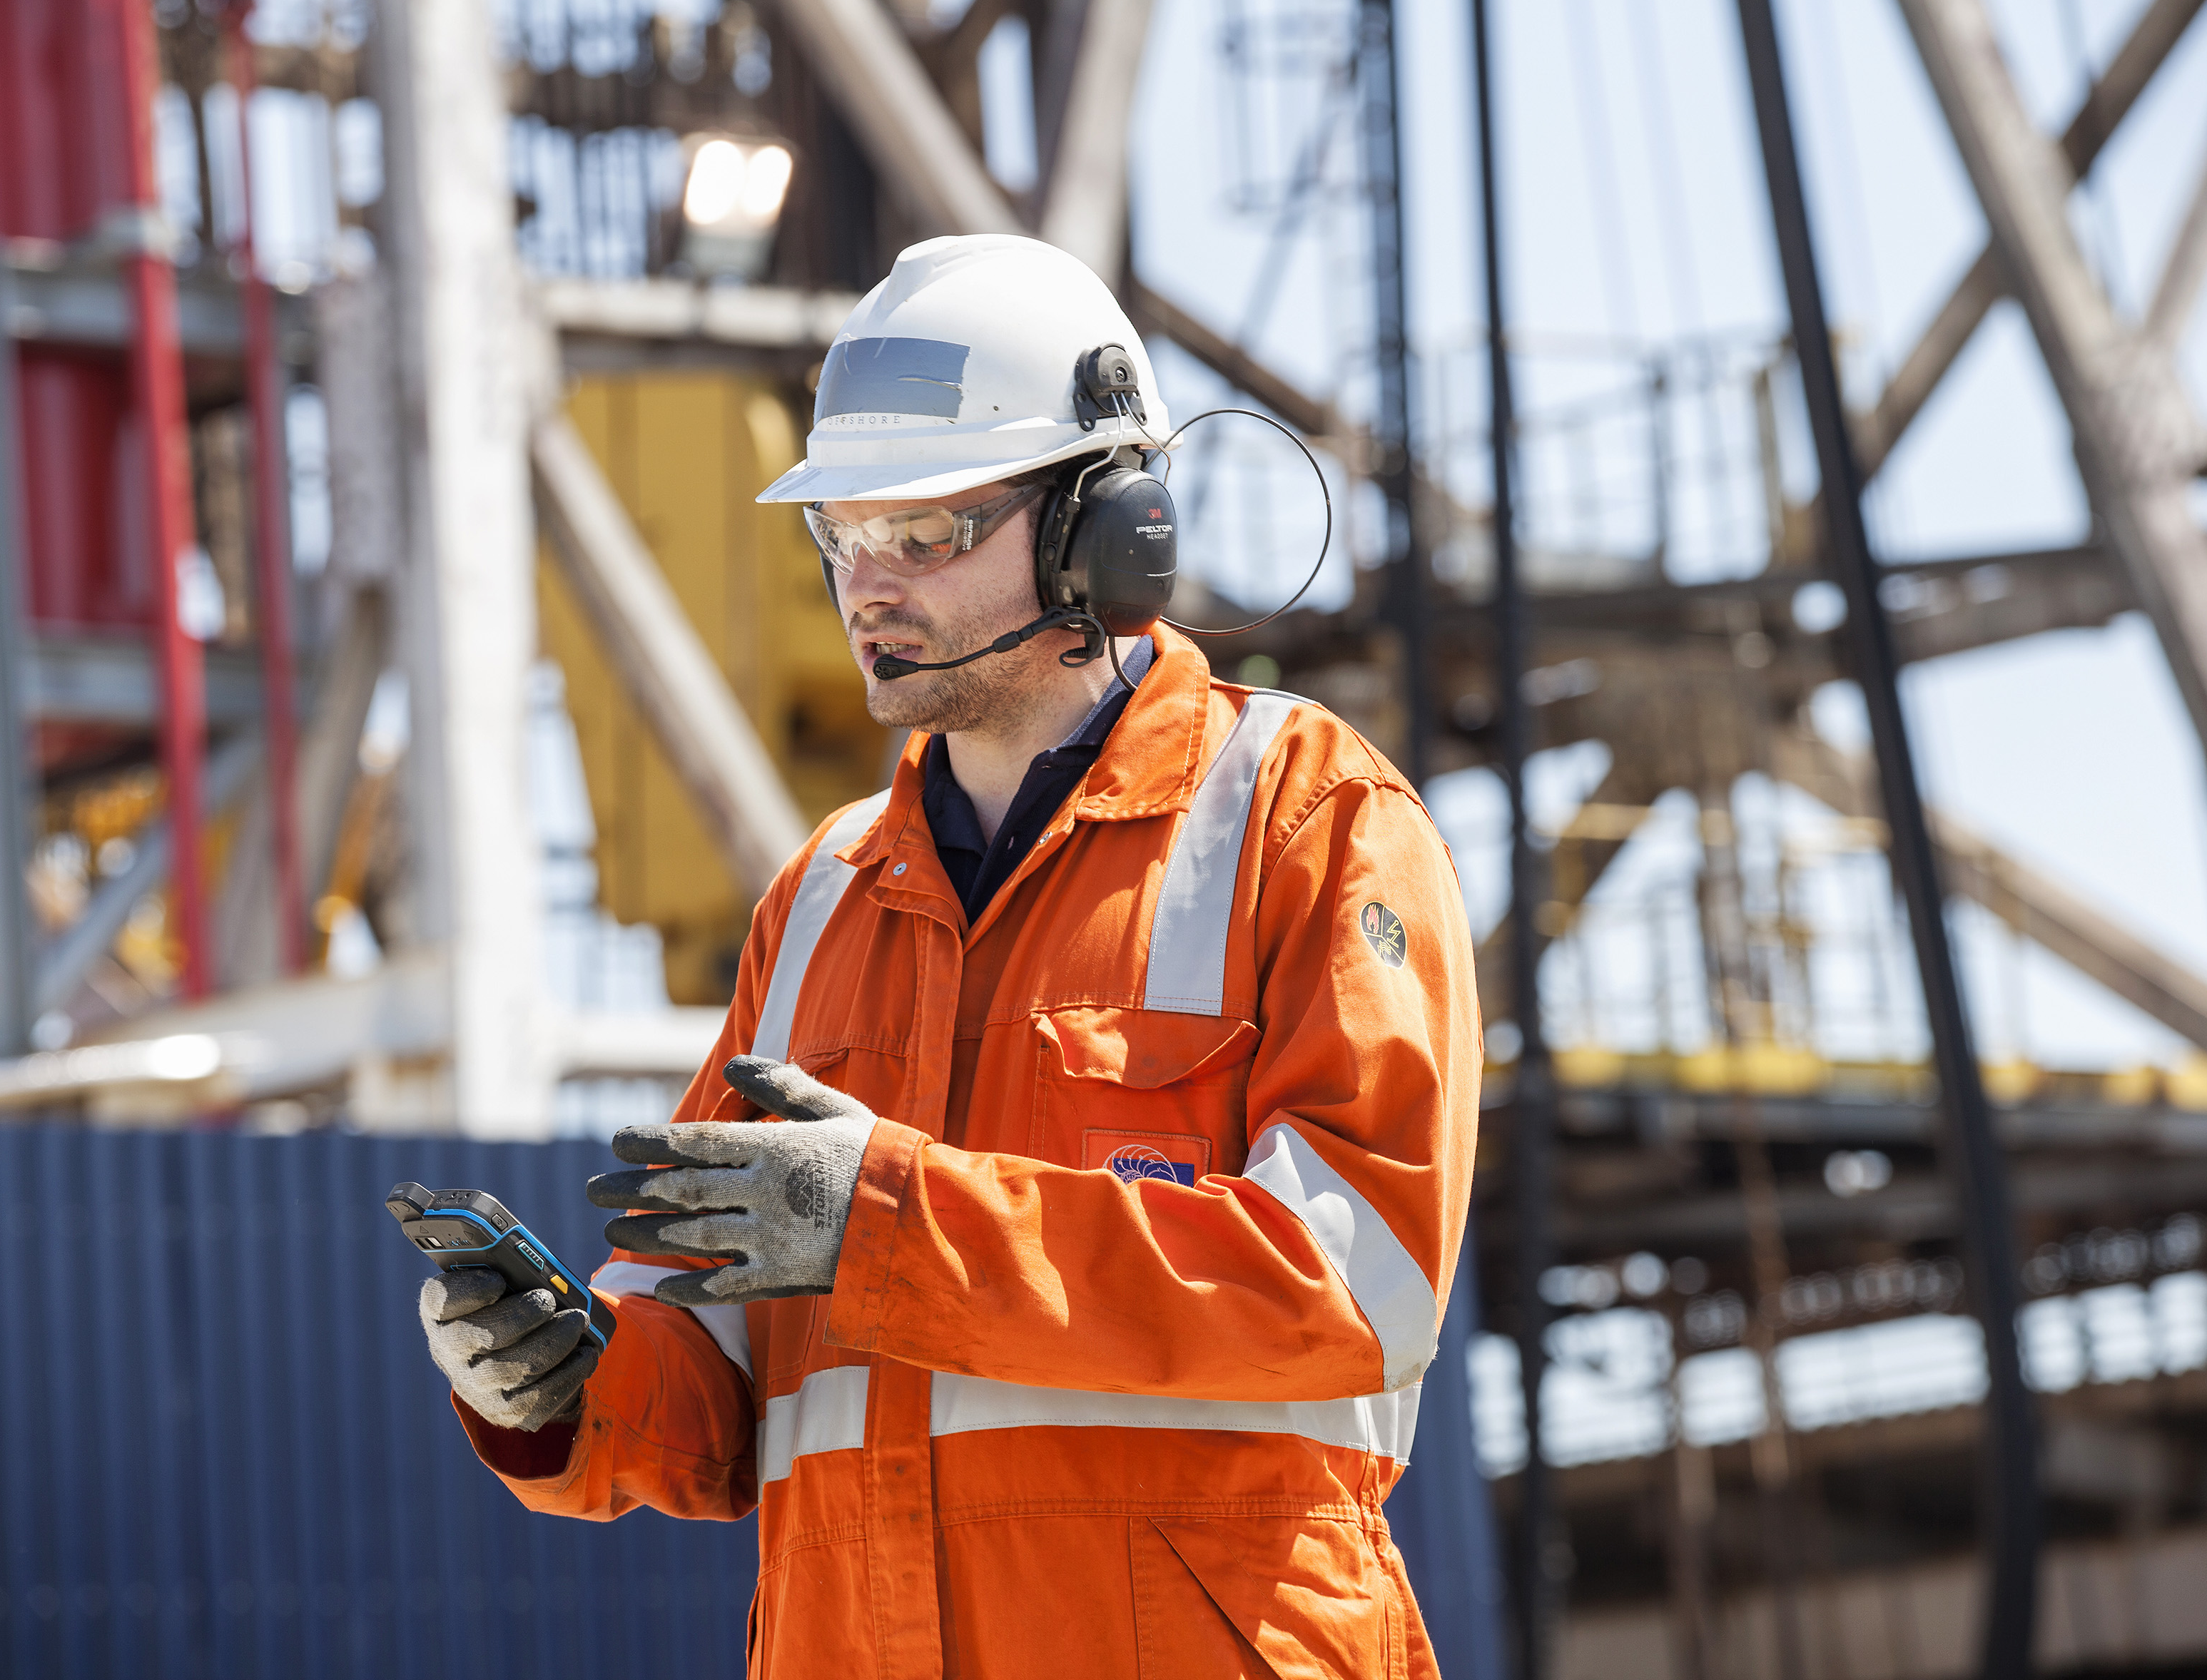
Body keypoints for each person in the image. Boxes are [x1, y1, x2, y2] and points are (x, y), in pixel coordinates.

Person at [415, 233, 1482, 1677]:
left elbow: (1357, 1287)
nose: (869, 585)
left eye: (922, 533)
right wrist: (566, 1384)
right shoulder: (821, 898)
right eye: (839, 534)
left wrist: (890, 1223)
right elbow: (726, 1374)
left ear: (1105, 532)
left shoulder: (1308, 817)